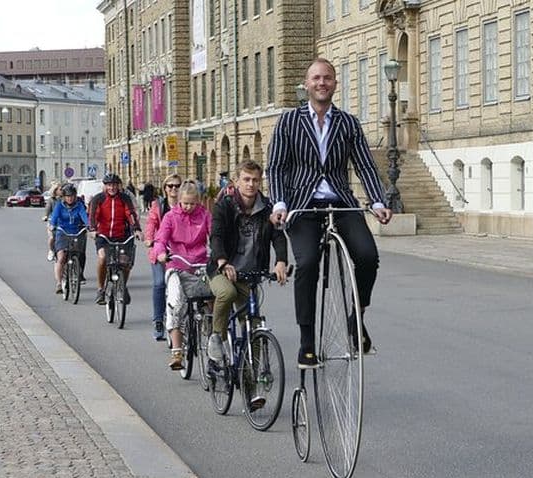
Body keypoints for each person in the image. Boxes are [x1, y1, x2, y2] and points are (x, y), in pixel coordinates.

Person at [266, 57, 392, 369]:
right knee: (307, 262)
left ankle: (355, 318)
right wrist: (280, 203)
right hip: (304, 204)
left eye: (328, 78)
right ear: (306, 84)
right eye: (316, 78)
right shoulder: (289, 122)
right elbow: (277, 166)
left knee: (367, 255)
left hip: (341, 201)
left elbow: (364, 164)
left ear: (335, 84)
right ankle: (307, 341)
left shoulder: (348, 123)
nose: (322, 83)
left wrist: (377, 202)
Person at [207, 159, 288, 409]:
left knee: (252, 330)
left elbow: (278, 236)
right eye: (246, 179)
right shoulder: (225, 206)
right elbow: (217, 235)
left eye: (255, 180)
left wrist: (281, 262)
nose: (251, 184)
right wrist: (223, 261)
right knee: (227, 293)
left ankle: (251, 393)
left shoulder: (267, 208)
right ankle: (216, 339)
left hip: (251, 274)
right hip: (223, 271)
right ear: (237, 180)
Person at [153, 182, 212, 370]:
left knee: (213, 298)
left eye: (192, 203)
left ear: (199, 202)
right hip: (177, 264)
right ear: (179, 201)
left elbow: (215, 236)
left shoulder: (205, 215)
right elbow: (160, 239)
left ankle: (212, 338)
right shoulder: (170, 217)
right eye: (185, 203)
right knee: (176, 304)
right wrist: (161, 253)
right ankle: (177, 351)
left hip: (200, 264)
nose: (188, 207)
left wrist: (218, 253)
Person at [90, 173, 142, 305]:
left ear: (118, 186)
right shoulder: (98, 199)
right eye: (109, 185)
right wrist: (93, 229)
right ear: (105, 186)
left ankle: (122, 286)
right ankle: (101, 289)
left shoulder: (124, 198)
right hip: (103, 235)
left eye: (114, 185)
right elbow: (93, 215)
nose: (112, 188)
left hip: (121, 235)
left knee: (126, 262)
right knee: (102, 258)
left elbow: (130, 213)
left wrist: (136, 229)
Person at [143, 174, 182, 341]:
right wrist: (149, 238)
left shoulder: (185, 204)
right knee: (159, 283)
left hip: (180, 252)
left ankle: (184, 320)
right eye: (170, 186)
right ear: (165, 189)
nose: (174, 189)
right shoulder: (158, 205)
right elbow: (151, 223)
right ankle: (158, 320)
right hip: (161, 251)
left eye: (177, 186)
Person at [48, 183, 89, 293]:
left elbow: (84, 216)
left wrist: (89, 225)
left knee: (78, 254)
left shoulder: (79, 205)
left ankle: (77, 272)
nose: (70, 198)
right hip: (62, 232)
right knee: (61, 257)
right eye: (67, 196)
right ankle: (58, 283)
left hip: (76, 232)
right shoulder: (59, 205)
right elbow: (55, 217)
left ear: (75, 196)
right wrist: (52, 225)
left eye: (72, 196)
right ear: (64, 197)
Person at [43, 182, 62, 261]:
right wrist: (46, 216)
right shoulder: (51, 200)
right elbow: (47, 210)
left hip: (62, 222)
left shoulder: (64, 199)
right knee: (52, 238)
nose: (62, 191)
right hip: (53, 223)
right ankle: (51, 250)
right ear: (55, 190)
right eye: (60, 189)